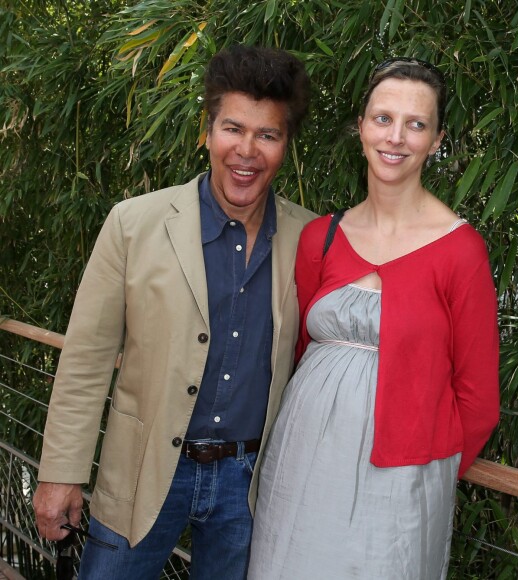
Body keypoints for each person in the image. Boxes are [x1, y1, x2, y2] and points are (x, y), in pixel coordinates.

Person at [33, 44, 316, 579]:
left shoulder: (313, 238)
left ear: (286, 146)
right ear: (208, 132)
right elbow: (87, 360)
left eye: (268, 134)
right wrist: (60, 474)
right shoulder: (133, 224)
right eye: (233, 128)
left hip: (250, 484)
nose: (247, 150)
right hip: (143, 471)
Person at [248, 57, 500, 579]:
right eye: (383, 118)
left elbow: (478, 398)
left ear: (436, 140)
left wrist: (427, 472)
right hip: (302, 465)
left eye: (417, 124)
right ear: (361, 127)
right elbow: (299, 356)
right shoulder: (321, 238)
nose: (397, 137)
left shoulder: (461, 250)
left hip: (402, 483)